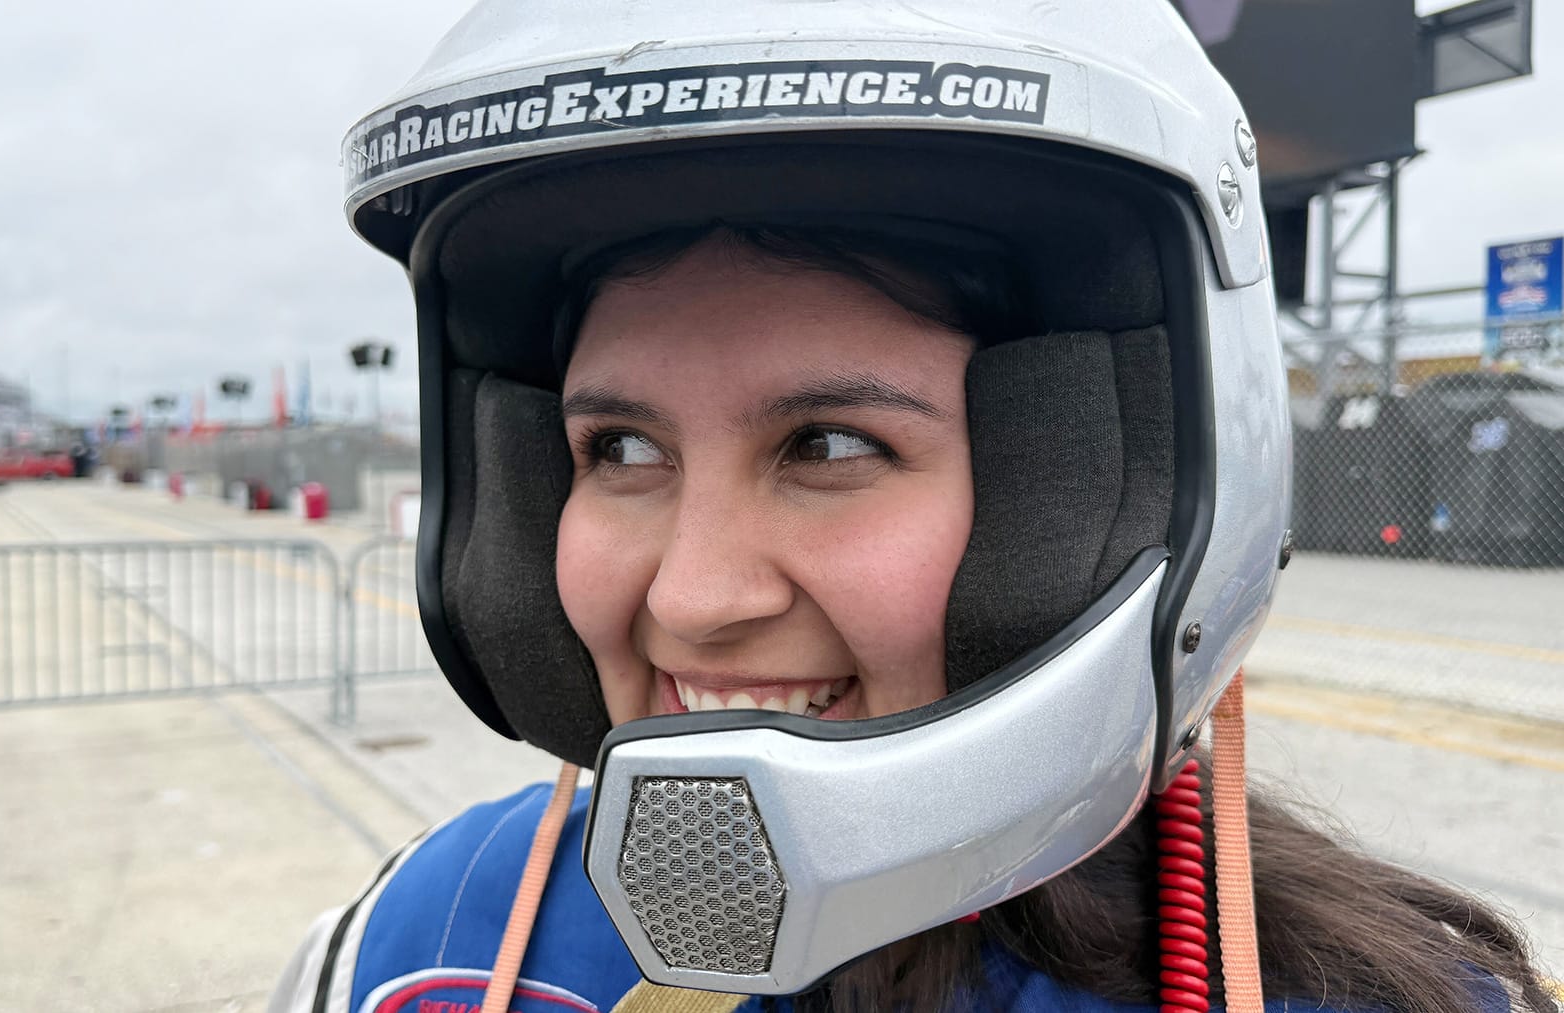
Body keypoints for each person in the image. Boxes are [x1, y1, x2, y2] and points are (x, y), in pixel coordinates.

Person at [272, 2, 1557, 1011]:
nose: (693, 597)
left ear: (1103, 493)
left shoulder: (1369, 994)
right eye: (619, 449)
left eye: (827, 444)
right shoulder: (429, 944)